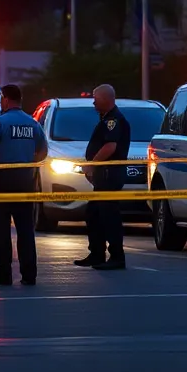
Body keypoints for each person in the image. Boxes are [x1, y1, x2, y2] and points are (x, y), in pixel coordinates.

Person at [0, 84, 48, 286]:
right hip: (26, 182)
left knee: (1, 229)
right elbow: (42, 152)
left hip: (2, 182)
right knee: (26, 229)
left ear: (5, 99)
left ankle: (4, 273)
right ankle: (29, 274)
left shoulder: (0, 123)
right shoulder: (33, 123)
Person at [75, 84, 130, 271]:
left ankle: (117, 257)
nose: (93, 101)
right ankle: (97, 254)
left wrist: (92, 164)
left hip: (109, 175)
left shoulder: (113, 120)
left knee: (109, 216)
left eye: (96, 98)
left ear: (106, 99)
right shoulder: (106, 118)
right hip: (103, 175)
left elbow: (110, 147)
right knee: (94, 214)